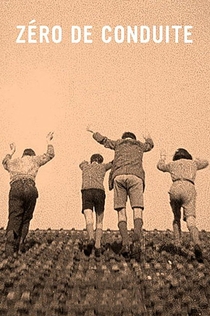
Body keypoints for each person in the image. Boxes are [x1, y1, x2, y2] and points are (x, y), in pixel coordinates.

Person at [87, 128, 154, 256]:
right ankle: (137, 233)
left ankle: (125, 242)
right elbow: (150, 146)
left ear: (123, 138)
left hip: (118, 176)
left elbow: (104, 140)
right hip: (136, 176)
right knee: (137, 208)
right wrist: (148, 137)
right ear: (133, 138)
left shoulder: (118, 143)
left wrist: (93, 131)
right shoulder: (140, 145)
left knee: (121, 211)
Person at [2, 132, 55, 257]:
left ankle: (11, 240)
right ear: (32, 155)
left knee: (15, 216)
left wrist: (12, 151)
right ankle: (21, 244)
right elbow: (50, 154)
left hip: (15, 188)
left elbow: (4, 162)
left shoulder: (14, 162)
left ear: (23, 154)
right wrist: (48, 141)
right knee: (26, 218)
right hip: (30, 188)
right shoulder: (34, 160)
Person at [157, 148, 209, 262]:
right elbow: (206, 163)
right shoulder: (193, 163)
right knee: (191, 220)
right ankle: (197, 243)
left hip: (175, 187)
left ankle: (177, 244)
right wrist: (198, 158)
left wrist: (162, 157)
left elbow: (160, 166)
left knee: (176, 218)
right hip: (189, 187)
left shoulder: (172, 164)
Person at [79, 154, 112, 257]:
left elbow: (81, 163)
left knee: (89, 218)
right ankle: (97, 245)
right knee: (99, 220)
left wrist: (87, 162)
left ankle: (91, 238)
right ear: (101, 161)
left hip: (86, 192)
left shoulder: (85, 166)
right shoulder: (103, 166)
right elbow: (112, 163)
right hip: (99, 192)